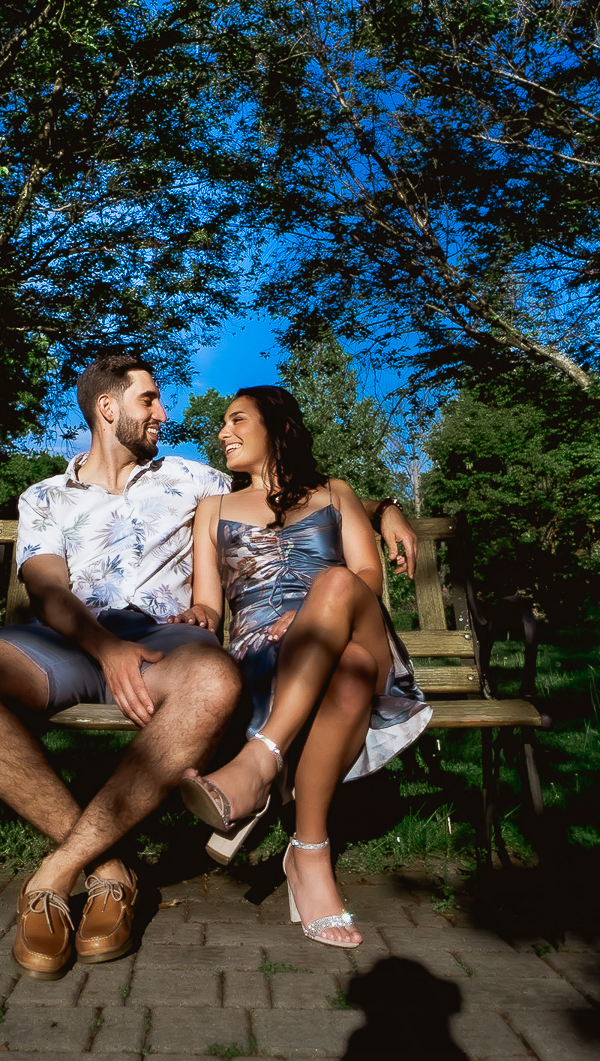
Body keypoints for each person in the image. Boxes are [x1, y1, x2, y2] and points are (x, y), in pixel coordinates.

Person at [0, 355, 416, 980]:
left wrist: (384, 508)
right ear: (107, 408)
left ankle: (55, 873)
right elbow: (49, 589)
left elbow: (287, 488)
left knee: (215, 682)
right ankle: (103, 868)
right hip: (68, 635)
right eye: (150, 401)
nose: (165, 413)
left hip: (165, 640)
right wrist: (105, 649)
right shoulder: (44, 497)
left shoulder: (191, 479)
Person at [177, 386, 431, 949]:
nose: (223, 432)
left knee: (337, 583)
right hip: (266, 655)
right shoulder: (213, 510)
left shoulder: (335, 493)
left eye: (236, 419)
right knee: (351, 670)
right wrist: (196, 614)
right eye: (223, 423)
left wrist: (310, 613)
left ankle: (258, 762)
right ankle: (309, 855)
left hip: (349, 620)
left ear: (277, 427)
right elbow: (211, 604)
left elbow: (368, 576)